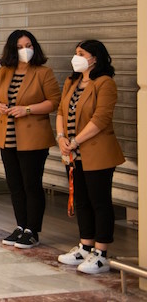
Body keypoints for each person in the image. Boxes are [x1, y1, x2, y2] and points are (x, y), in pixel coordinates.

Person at [0, 29, 61, 250]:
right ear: (12, 49)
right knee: (15, 185)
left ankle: (32, 230)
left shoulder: (43, 72)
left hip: (33, 138)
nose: (25, 50)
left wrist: (27, 109)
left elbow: (54, 102)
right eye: (20, 47)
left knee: (31, 184)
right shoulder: (5, 71)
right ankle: (20, 226)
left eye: (28, 46)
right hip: (7, 137)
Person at [56, 40, 124, 274]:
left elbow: (101, 119)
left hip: (97, 151)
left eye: (81, 53)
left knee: (99, 201)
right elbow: (61, 111)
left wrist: (76, 141)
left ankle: (101, 253)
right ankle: (85, 247)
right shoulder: (71, 82)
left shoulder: (105, 83)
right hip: (73, 153)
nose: (76, 57)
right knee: (81, 200)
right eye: (76, 53)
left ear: (95, 58)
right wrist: (61, 138)